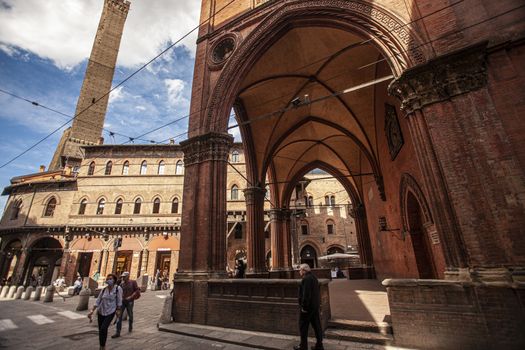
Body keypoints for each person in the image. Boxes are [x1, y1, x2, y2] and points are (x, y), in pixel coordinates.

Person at [88, 274, 122, 350]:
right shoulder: (104, 290)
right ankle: (102, 346)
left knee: (103, 328)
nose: (108, 280)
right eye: (108, 279)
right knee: (101, 330)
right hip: (101, 311)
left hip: (111, 311)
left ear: (114, 280)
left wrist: (118, 310)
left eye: (110, 279)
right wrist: (92, 310)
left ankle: (103, 346)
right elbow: (98, 301)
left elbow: (119, 301)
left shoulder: (117, 289)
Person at [294, 264, 324, 350]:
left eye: (300, 270)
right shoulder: (314, 277)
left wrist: (304, 307)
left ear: (304, 270)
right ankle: (319, 345)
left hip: (308, 308)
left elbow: (306, 295)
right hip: (314, 306)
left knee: (303, 327)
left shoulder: (306, 279)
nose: (299, 272)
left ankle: (303, 347)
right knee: (317, 325)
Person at [113, 271, 140, 338]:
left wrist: (131, 297)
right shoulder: (122, 284)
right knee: (119, 316)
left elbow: (137, 290)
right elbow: (118, 291)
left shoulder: (133, 282)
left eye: (124, 277)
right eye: (122, 277)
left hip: (130, 301)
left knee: (130, 314)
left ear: (128, 276)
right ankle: (117, 332)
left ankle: (130, 326)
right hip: (122, 301)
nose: (123, 278)